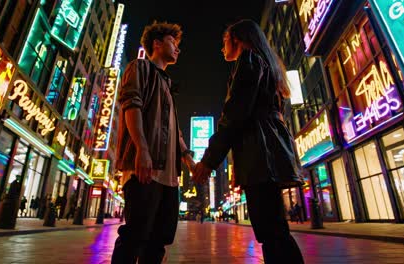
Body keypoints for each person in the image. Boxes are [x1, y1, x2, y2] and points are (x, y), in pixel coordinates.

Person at [193, 19, 304, 263]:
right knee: (275, 231)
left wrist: (209, 160)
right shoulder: (266, 64)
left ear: (238, 39)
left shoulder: (249, 60)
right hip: (268, 153)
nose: (221, 47)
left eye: (224, 40)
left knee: (272, 233)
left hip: (260, 156)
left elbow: (234, 116)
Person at [111, 21, 195, 264]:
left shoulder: (167, 84)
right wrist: (142, 149)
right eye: (173, 42)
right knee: (135, 234)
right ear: (157, 44)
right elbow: (131, 104)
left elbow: (175, 131)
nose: (177, 49)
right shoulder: (140, 67)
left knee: (160, 239)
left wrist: (188, 160)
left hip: (169, 177)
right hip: (144, 168)